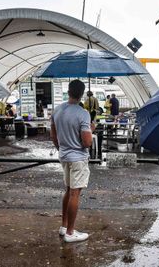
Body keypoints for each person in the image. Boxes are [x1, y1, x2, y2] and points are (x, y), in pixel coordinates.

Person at [51, 79, 94, 243]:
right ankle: (70, 232)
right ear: (82, 94)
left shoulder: (58, 110)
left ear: (68, 91)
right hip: (78, 158)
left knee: (68, 190)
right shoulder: (83, 113)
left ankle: (64, 226)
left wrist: (61, 148)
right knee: (75, 193)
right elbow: (87, 142)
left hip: (64, 156)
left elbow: (53, 136)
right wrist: (91, 128)